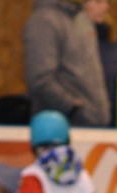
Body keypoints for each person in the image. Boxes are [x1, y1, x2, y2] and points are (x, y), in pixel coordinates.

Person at [23, 0, 111, 128]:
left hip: (92, 124)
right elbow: (40, 78)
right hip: (62, 128)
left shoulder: (81, 20)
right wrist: (72, 107)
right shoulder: (44, 21)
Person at [84, 0, 117, 127]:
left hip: (114, 120)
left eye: (107, 3)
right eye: (98, 2)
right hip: (83, 119)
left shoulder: (115, 40)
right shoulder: (73, 40)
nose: (105, 7)